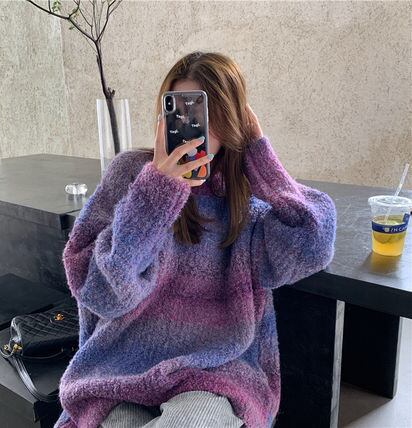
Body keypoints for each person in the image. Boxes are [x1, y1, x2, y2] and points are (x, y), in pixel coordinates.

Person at [53, 51, 337, 428]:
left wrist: (261, 158)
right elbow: (102, 294)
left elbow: (314, 242)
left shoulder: (244, 198)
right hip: (120, 367)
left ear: (233, 120)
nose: (192, 129)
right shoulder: (131, 175)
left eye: (205, 115)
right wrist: (156, 192)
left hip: (216, 371)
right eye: (180, 112)